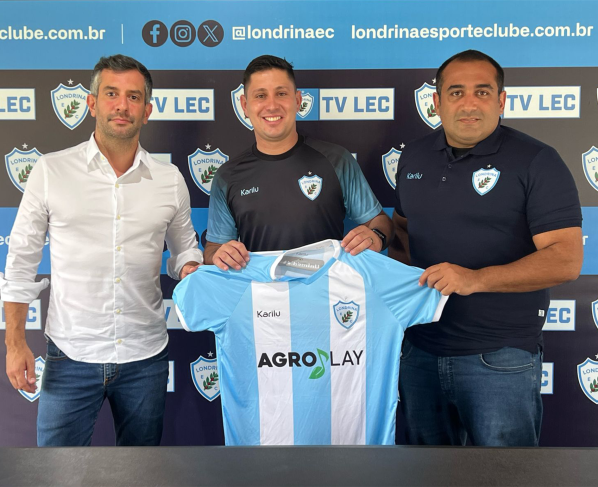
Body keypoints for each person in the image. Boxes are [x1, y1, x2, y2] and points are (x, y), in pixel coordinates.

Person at [1, 54, 203, 446]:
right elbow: (21, 261)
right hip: (69, 355)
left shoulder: (169, 180)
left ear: (147, 110)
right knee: (57, 473)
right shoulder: (51, 170)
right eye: (111, 94)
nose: (122, 105)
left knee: (141, 474)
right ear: (92, 104)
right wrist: (14, 343)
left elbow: (184, 253)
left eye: (133, 97)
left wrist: (192, 268)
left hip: (146, 358)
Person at [390, 50, 583, 447]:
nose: (469, 102)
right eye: (456, 92)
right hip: (419, 352)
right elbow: (404, 232)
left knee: (505, 476)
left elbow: (566, 259)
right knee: (427, 477)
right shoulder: (414, 156)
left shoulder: (537, 160)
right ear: (437, 102)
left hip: (499, 356)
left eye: (482, 91)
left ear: (501, 100)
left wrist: (475, 279)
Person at [204, 54, 392, 268]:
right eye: (260, 96)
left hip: (327, 296)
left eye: (281, 93)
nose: (272, 105)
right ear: (245, 106)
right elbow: (212, 249)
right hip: (261, 297)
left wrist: (375, 235)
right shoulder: (228, 176)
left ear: (298, 100)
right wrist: (219, 254)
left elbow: (381, 222)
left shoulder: (336, 160)